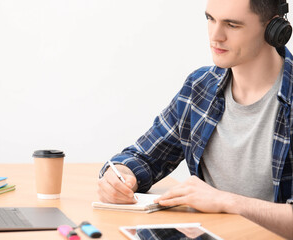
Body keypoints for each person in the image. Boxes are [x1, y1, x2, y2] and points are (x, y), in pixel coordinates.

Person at [97, 0, 293, 239]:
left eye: (232, 25)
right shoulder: (200, 88)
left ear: (274, 30)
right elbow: (142, 156)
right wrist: (119, 175)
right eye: (210, 19)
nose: (215, 36)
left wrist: (226, 201)